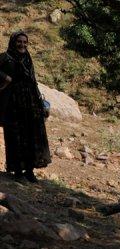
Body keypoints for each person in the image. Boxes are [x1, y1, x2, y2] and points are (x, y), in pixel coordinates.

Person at [0, 31, 51, 183]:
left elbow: (33, 80)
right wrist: (5, 77)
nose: (22, 44)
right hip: (12, 103)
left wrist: (41, 104)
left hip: (30, 102)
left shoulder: (27, 58)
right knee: (15, 136)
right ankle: (17, 171)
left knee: (31, 134)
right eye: (19, 41)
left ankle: (29, 170)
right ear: (13, 42)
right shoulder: (4, 57)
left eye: (25, 42)